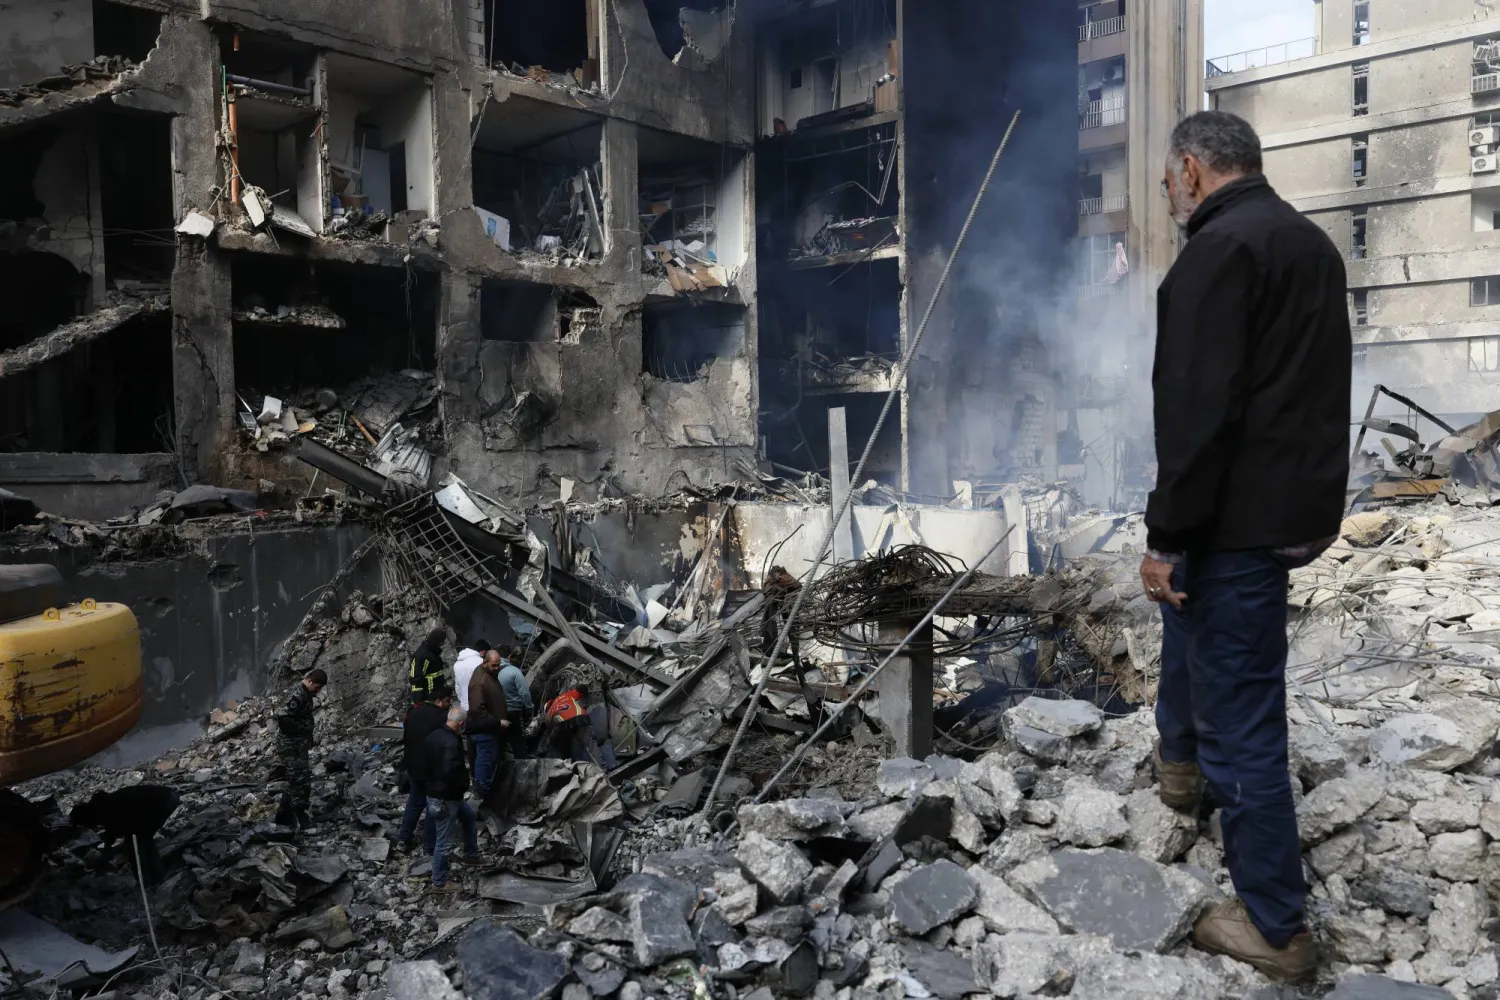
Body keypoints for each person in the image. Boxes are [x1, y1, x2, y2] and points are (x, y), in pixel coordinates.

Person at [1144, 110, 1350, 982]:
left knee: (1246, 722)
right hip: (1284, 507)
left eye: (1166, 180)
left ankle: (1277, 927)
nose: (1166, 195)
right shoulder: (1309, 245)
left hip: (1235, 520)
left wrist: (1164, 534)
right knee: (1189, 627)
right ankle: (1179, 771)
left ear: (1191, 170)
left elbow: (1197, 414)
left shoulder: (1216, 254)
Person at [421, 705, 481, 892]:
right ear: (461, 724)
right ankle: (439, 881)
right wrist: (464, 785)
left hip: (435, 793)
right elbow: (451, 772)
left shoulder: (432, 736)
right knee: (444, 841)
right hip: (447, 797)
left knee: (469, 816)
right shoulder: (452, 743)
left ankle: (471, 855)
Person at [70, 785, 181, 884]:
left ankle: (149, 880)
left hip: (162, 802)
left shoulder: (105, 811)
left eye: (84, 824)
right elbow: (112, 835)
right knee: (141, 839)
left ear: (86, 818)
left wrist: (102, 864)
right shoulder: (102, 806)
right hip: (166, 796)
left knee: (137, 843)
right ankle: (153, 876)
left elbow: (111, 837)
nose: (88, 827)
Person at [394, 679, 451, 856]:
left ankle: (404, 840)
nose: (449, 705)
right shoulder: (442, 717)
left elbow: (406, 738)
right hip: (432, 768)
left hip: (413, 765)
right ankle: (430, 846)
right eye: (448, 701)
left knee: (414, 802)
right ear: (439, 701)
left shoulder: (412, 713)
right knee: (433, 806)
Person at [274, 668, 327, 828]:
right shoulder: (297, 695)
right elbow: (283, 719)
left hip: (297, 744)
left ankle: (290, 814)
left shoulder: (304, 693)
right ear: (309, 681)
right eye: (317, 687)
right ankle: (293, 816)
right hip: (291, 746)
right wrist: (302, 731)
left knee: (299, 778)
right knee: (298, 780)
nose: (317, 691)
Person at [466, 649, 511, 802]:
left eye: (499, 665)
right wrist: (498, 722)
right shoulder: (480, 682)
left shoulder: (488, 674)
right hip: (485, 732)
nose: (497, 668)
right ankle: (483, 798)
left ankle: (486, 794)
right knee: (484, 765)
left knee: (488, 765)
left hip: (490, 730)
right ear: (484, 662)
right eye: (494, 665)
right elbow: (478, 710)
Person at [495, 645, 534, 759]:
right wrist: (529, 708)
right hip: (513, 712)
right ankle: (521, 768)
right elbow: (524, 694)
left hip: (496, 713)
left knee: (498, 742)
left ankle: (500, 768)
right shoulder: (514, 671)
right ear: (509, 656)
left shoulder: (489, 671)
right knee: (517, 741)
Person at [408, 628, 448, 705]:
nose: (443, 643)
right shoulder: (423, 655)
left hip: (436, 693)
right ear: (439, 642)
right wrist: (419, 701)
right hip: (428, 696)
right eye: (443, 641)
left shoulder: (431, 652)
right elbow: (416, 679)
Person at [452, 638, 491, 712]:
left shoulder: (457, 664)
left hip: (464, 705)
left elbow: (457, 686)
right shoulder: (481, 663)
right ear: (483, 652)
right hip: (480, 705)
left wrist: (463, 701)